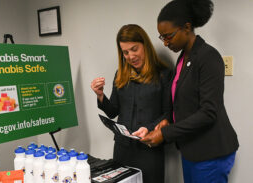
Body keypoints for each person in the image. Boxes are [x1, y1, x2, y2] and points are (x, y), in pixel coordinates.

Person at [134, 0, 239, 182]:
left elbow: (208, 112)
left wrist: (165, 134)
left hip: (211, 152)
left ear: (187, 28)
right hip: (192, 150)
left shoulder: (208, 57)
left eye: (169, 36)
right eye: (162, 38)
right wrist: (166, 122)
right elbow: (184, 104)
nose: (165, 43)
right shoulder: (183, 58)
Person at [91, 24, 172, 183]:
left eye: (134, 49)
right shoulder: (121, 74)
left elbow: (168, 113)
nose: (130, 56)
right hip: (123, 149)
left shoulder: (163, 74)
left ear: (145, 46)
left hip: (150, 149)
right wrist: (100, 95)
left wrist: (148, 128)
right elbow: (113, 111)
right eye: (125, 52)